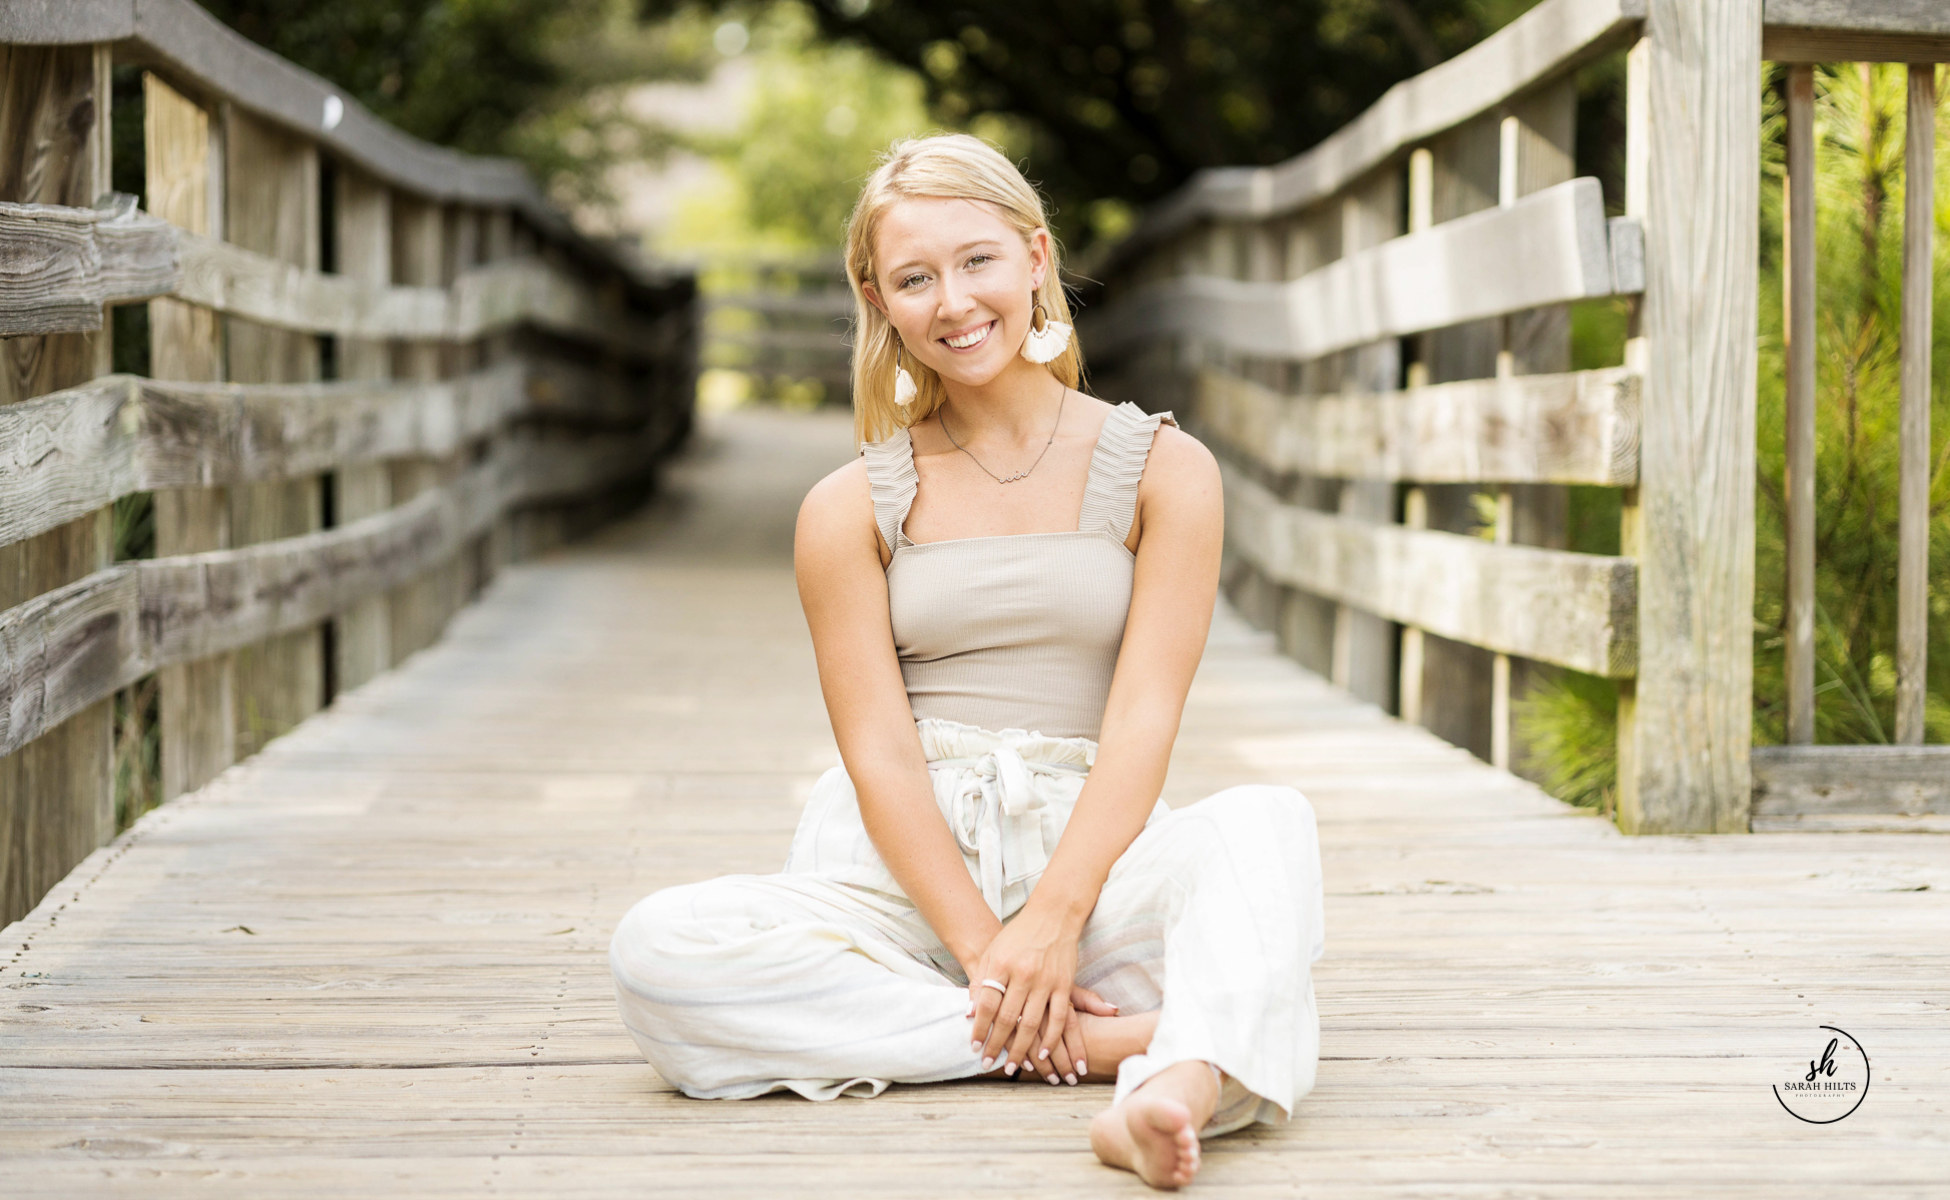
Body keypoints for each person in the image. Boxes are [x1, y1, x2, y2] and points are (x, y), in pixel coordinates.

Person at [609, 133, 1325, 1190]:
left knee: (1269, 828)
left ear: (1036, 257)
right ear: (878, 297)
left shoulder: (1165, 471)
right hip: (905, 890)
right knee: (657, 949)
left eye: (978, 260)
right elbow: (880, 755)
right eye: (915, 277)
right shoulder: (848, 506)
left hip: (1098, 870)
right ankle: (1122, 1047)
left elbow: (1142, 723)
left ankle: (1166, 1091)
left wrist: (1054, 921)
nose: (953, 300)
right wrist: (994, 950)